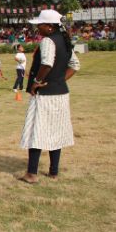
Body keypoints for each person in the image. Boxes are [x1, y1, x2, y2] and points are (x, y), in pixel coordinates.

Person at [19, 10, 80, 184]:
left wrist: (37, 81)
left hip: (45, 94)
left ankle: (32, 174)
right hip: (60, 93)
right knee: (56, 131)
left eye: (40, 24)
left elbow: (46, 63)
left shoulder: (47, 41)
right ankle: (53, 172)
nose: (38, 28)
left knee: (36, 131)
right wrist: (58, 80)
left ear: (50, 26)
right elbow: (75, 65)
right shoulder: (64, 40)